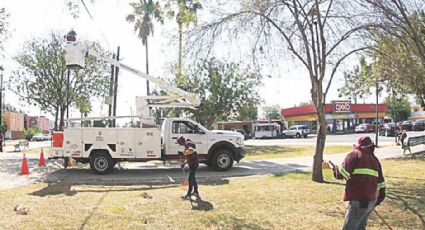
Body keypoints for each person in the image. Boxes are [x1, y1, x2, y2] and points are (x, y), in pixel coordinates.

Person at [331, 136, 386, 230]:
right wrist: (376, 201)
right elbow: (381, 185)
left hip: (359, 201)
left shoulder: (354, 155)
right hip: (371, 201)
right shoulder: (375, 160)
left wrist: (335, 171)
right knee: (360, 227)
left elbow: (342, 175)